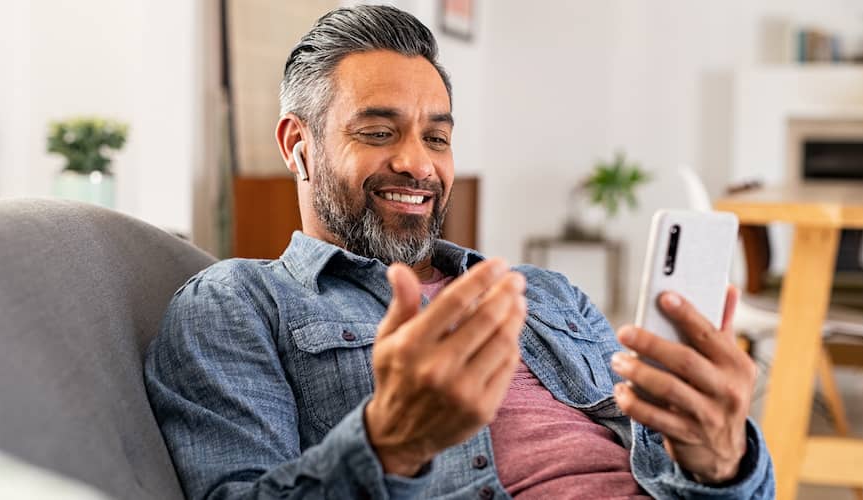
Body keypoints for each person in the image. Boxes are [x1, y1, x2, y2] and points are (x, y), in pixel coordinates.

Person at [145, 5, 773, 499]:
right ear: (297, 145)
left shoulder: (546, 294)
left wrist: (723, 461)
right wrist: (389, 441)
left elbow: (693, 470)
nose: (418, 163)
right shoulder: (240, 302)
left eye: (437, 136)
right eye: (377, 131)